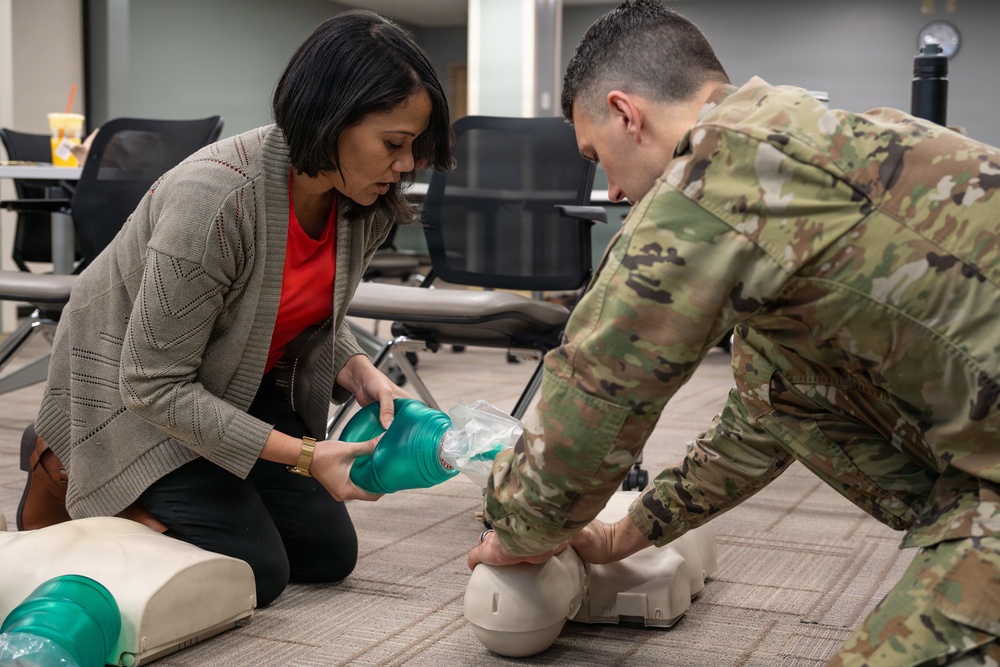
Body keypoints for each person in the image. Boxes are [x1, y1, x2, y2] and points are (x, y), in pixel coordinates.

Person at [466, 1, 1000, 664]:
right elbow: (767, 413)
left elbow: (603, 383)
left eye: (597, 155)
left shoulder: (715, 176)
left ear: (627, 114)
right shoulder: (796, 157)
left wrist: (519, 529)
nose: (607, 191)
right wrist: (621, 536)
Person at [21, 9, 453, 608]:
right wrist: (305, 454)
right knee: (256, 571)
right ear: (330, 121)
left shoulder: (364, 202)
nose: (406, 165)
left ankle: (202, 479)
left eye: (414, 148)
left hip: (232, 383)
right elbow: (152, 385)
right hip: (134, 400)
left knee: (326, 555)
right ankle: (70, 460)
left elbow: (299, 314)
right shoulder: (218, 199)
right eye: (394, 145)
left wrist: (359, 368)